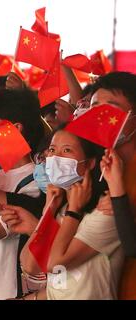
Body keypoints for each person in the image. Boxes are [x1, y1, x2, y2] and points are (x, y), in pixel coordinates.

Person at [14, 127, 124, 300]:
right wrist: (48, 211)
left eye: (67, 150)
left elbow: (55, 263)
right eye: (52, 150)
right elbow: (30, 264)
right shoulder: (62, 208)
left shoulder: (105, 211)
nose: (56, 157)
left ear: (89, 163)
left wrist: (74, 212)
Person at [89, 71, 136, 299]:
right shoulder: (94, 166)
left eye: (111, 108)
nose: (100, 116)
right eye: (95, 107)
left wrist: (118, 196)